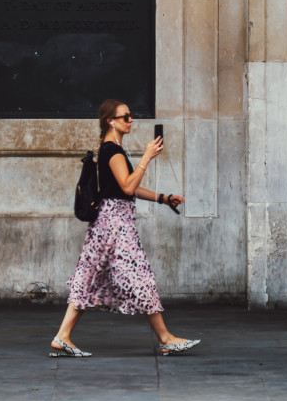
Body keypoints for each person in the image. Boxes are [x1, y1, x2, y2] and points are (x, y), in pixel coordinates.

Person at [50, 98, 201, 358]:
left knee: (88, 277)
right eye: (125, 117)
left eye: (130, 116)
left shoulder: (111, 149)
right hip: (115, 225)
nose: (131, 120)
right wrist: (146, 157)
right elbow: (129, 187)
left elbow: (125, 188)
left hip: (109, 222)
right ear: (111, 121)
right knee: (139, 276)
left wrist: (163, 198)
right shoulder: (112, 151)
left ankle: (62, 336)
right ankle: (166, 338)